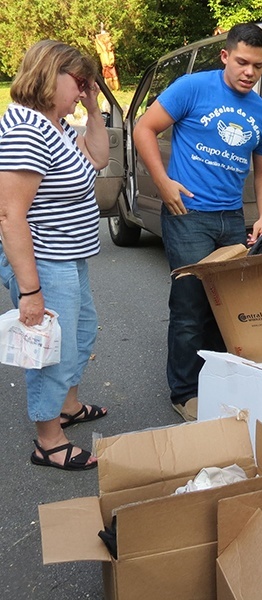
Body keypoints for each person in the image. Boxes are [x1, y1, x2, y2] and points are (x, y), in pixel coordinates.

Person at [133, 23, 262, 421]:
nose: (250, 72)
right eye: (243, 62)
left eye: (258, 66)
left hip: (231, 217)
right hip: (187, 214)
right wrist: (163, 183)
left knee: (226, 305)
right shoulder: (192, 88)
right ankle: (184, 391)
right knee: (190, 303)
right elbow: (143, 127)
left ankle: (217, 381)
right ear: (225, 57)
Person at [0, 40, 110, 470]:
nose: (83, 90)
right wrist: (30, 291)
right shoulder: (27, 129)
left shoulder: (57, 125)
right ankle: (48, 440)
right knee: (50, 350)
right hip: (45, 262)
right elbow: (10, 215)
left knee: (81, 333)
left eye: (87, 83)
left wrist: (94, 108)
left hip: (68, 257)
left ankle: (68, 406)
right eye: (79, 81)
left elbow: (99, 159)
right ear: (51, 74)